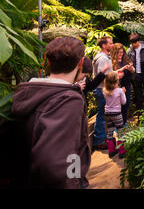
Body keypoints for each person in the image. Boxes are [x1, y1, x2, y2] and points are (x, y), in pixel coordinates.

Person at [11, 37, 90, 188]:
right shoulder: (68, 100)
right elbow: (58, 161)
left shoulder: (28, 93)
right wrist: (74, 184)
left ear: (47, 61)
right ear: (81, 62)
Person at [92, 36, 114, 150]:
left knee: (103, 115)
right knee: (102, 115)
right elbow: (102, 76)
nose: (112, 45)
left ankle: (102, 138)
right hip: (102, 90)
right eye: (110, 43)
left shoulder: (105, 57)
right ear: (104, 45)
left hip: (102, 89)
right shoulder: (102, 58)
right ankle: (99, 140)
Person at [127, 33, 144, 112]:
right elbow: (127, 64)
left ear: (138, 41)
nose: (134, 45)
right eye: (132, 43)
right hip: (136, 76)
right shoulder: (129, 51)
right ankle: (140, 115)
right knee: (138, 96)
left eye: (135, 43)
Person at [103, 71, 127, 159]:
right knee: (120, 132)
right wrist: (123, 92)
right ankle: (122, 152)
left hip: (107, 113)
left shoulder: (104, 90)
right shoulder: (120, 91)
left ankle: (111, 151)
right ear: (117, 81)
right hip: (117, 114)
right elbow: (124, 102)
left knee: (110, 131)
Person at [110, 43, 135, 125]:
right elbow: (111, 74)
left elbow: (134, 71)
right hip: (117, 87)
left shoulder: (126, 59)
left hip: (126, 86)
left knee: (126, 104)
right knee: (117, 106)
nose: (120, 54)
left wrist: (131, 69)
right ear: (114, 53)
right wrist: (123, 68)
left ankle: (123, 122)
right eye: (118, 52)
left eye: (122, 52)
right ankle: (117, 124)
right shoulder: (112, 61)